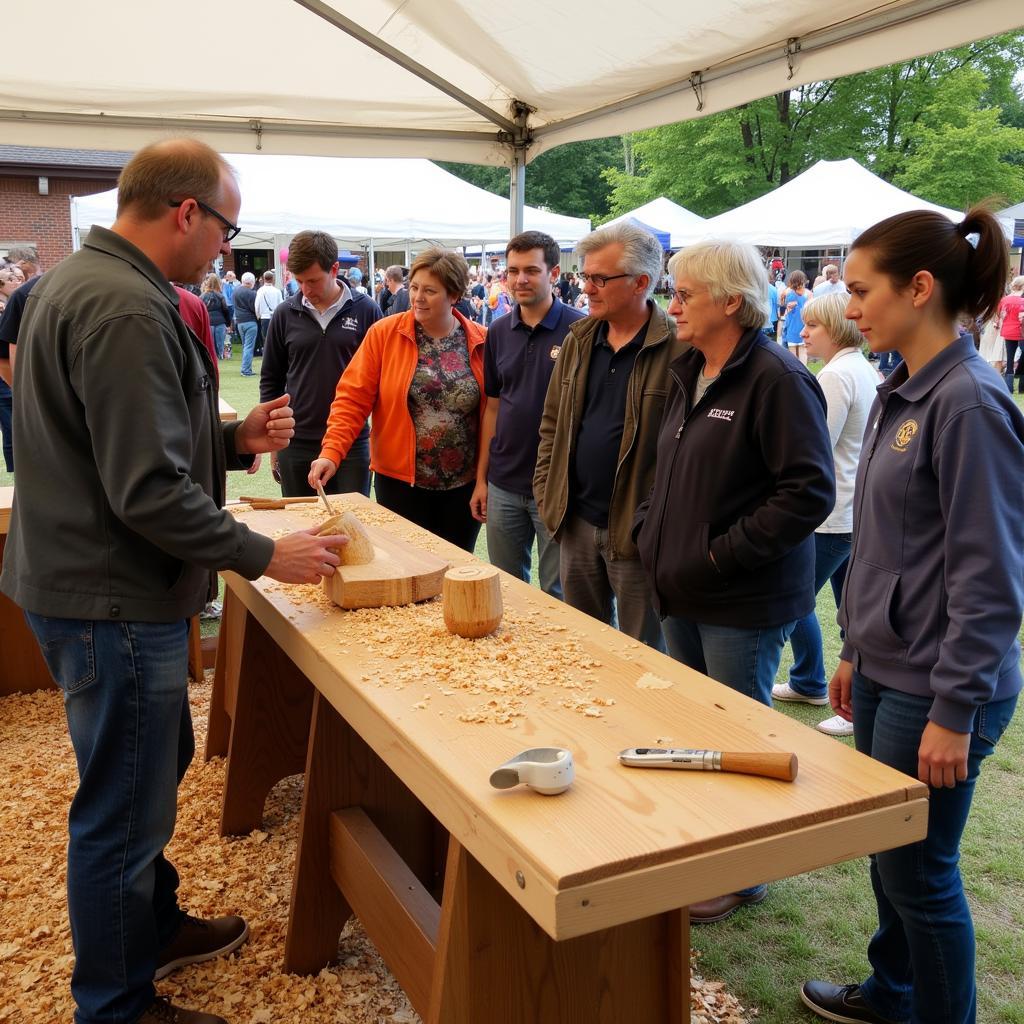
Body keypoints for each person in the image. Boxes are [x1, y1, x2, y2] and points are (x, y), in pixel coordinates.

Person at [0, 138, 348, 1024]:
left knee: (147, 773)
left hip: (88, 580)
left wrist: (231, 443)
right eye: (226, 227)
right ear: (186, 211)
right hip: (112, 594)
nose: (226, 248)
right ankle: (116, 1003)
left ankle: (149, 927)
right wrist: (269, 554)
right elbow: (145, 488)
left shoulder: (83, 284)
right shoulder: (123, 306)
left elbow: (109, 443)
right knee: (122, 807)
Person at [800, 207, 1023, 1024]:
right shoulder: (904, 384)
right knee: (893, 857)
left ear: (919, 289)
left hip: (942, 685)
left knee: (920, 874)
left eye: (860, 290)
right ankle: (893, 994)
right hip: (893, 669)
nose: (847, 307)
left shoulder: (966, 403)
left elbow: (992, 577)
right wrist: (856, 645)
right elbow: (890, 545)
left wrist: (954, 709)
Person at [633, 239, 835, 923]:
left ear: (730, 300)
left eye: (683, 292)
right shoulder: (690, 365)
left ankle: (744, 874)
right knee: (692, 731)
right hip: (680, 586)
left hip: (739, 600)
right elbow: (669, 466)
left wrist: (719, 555)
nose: (671, 303)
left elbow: (808, 492)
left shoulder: (778, 378)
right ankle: (704, 850)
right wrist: (648, 526)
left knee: (742, 741)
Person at [534, 222, 683, 651]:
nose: (588, 287)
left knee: (645, 658)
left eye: (600, 278)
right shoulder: (579, 338)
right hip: (576, 523)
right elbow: (551, 425)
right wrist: (548, 496)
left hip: (639, 535)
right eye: (585, 277)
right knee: (584, 649)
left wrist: (653, 526)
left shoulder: (679, 349)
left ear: (641, 283)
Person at [310, 248, 486, 551]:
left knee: (456, 570)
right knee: (405, 568)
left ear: (454, 294)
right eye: (414, 287)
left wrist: (485, 479)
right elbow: (352, 399)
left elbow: (494, 415)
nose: (417, 297)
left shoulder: (483, 340)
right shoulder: (385, 334)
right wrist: (331, 452)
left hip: (462, 490)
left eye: (430, 291)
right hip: (400, 485)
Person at [769, 292, 878, 738]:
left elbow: (814, 447)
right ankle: (814, 681)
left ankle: (817, 684)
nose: (805, 333)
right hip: (850, 509)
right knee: (851, 613)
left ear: (837, 329)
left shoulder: (835, 374)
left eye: (813, 326)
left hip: (830, 514)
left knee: (796, 599)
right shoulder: (860, 368)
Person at [470, 230, 584, 596]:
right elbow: (493, 407)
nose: (520, 279)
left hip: (559, 487)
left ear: (553, 273)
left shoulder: (581, 331)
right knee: (506, 588)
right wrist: (482, 479)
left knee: (559, 591)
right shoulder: (499, 331)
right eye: (513, 270)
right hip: (504, 482)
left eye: (531, 270)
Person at [261, 229, 381, 498]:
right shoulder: (284, 313)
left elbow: (381, 382)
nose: (305, 289)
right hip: (296, 442)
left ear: (335, 269)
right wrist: (274, 444)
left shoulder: (367, 310)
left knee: (351, 528)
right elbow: (271, 380)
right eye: (299, 281)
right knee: (301, 528)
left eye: (313, 280)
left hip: (351, 442)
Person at [995, 274, 1024, 393]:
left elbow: (998, 315)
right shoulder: (1022, 301)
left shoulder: (1004, 300)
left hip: (1007, 331)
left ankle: (1009, 387)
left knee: (1010, 359)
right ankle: (1022, 387)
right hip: (1021, 332)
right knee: (1022, 358)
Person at [779, 269, 812, 362]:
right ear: (803, 280)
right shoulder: (808, 294)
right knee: (803, 351)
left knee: (792, 352)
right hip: (803, 325)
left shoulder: (787, 292)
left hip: (791, 325)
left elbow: (781, 304)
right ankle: (804, 371)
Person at [232, 271, 259, 376]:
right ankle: (246, 370)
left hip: (239, 322)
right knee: (249, 346)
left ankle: (246, 368)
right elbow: (254, 308)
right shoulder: (252, 293)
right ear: (251, 282)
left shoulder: (236, 291)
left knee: (245, 346)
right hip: (250, 321)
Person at [200, 272, 230, 359]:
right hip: (220, 321)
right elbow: (226, 310)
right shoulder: (220, 296)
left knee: (210, 343)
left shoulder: (202, 297)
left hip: (208, 321)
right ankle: (220, 356)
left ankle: (212, 357)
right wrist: (228, 323)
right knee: (220, 343)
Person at [254, 269, 282, 355]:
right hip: (275, 317)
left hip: (264, 317)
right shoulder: (277, 291)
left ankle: (267, 354)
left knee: (265, 337)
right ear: (273, 279)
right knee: (276, 337)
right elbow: (281, 304)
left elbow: (257, 305)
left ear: (263, 278)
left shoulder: (260, 291)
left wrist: (258, 315)